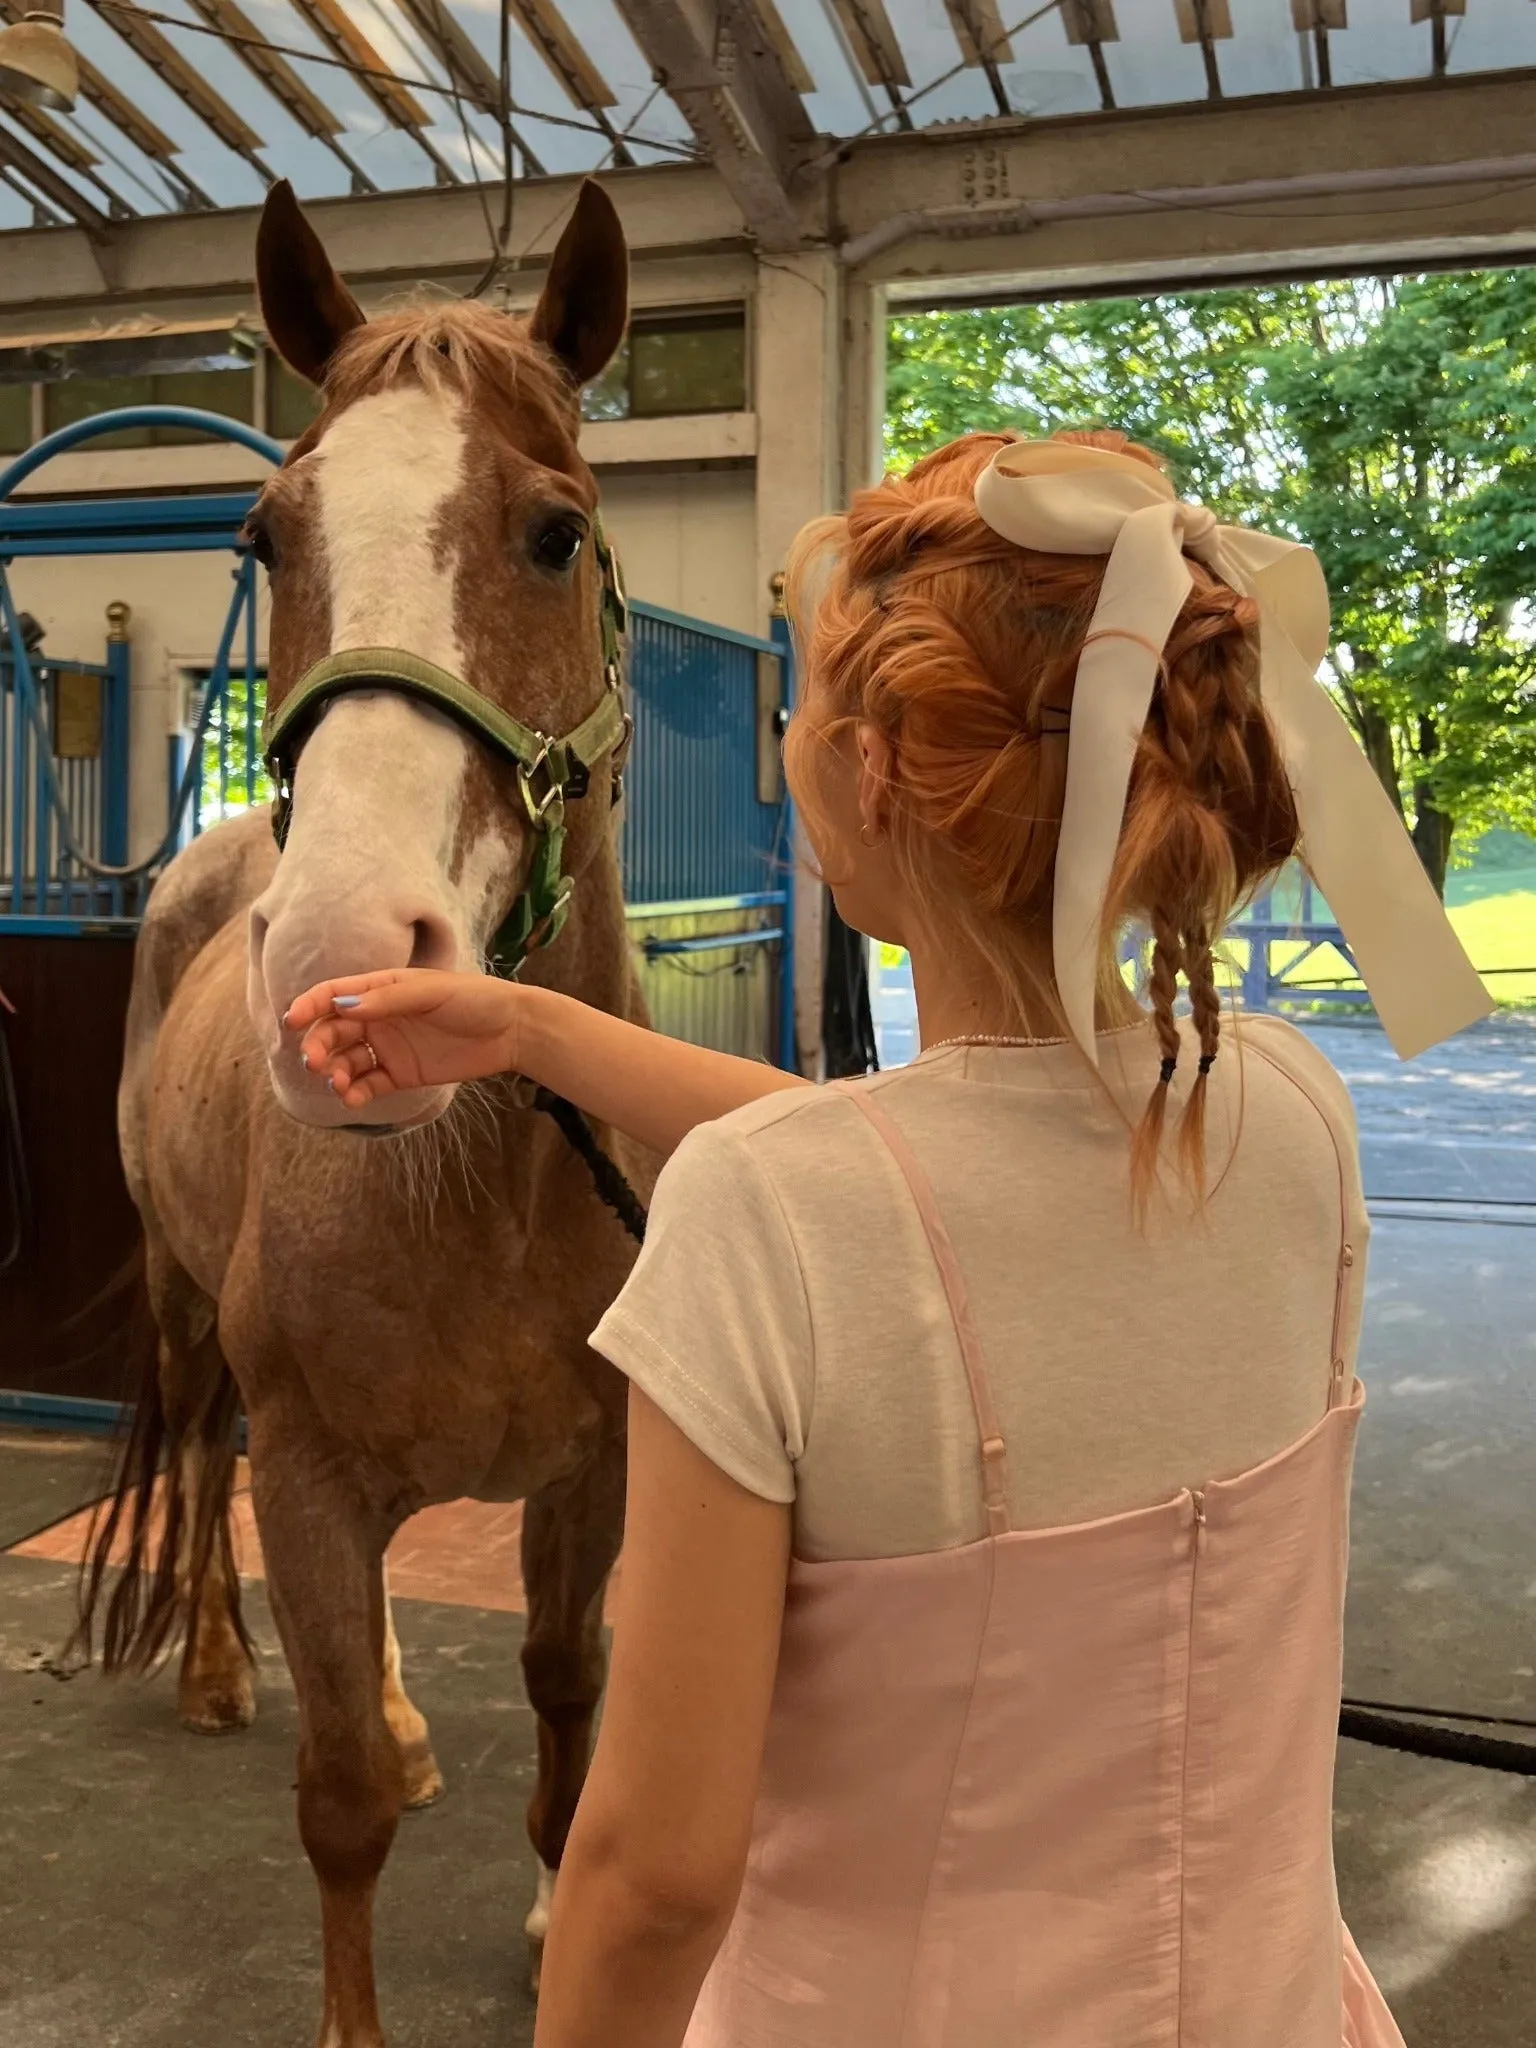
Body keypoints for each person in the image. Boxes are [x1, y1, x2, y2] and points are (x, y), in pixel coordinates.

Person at [287, 431, 1489, 2046]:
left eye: (800, 701)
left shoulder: (770, 1224)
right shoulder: (1290, 1106)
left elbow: (652, 1874)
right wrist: (529, 1028)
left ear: (865, 775)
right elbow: (919, 1179)